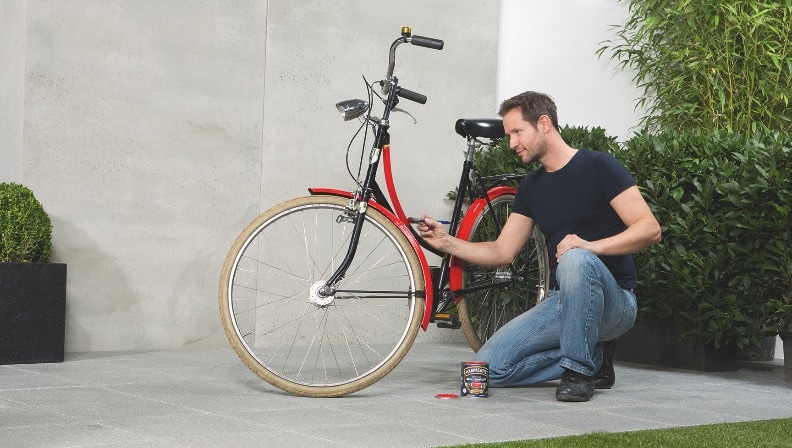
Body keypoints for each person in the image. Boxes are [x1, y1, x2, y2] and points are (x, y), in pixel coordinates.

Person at [417, 91, 661, 402]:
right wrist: (446, 242)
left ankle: (578, 372)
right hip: (565, 302)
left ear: (544, 123)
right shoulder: (531, 187)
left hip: (616, 304)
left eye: (517, 132)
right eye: (508, 136)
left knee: (575, 258)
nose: (512, 143)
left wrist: (590, 246)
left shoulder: (599, 166)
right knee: (484, 368)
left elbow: (649, 229)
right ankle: (593, 358)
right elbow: (502, 252)